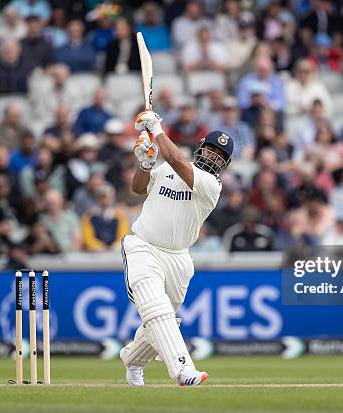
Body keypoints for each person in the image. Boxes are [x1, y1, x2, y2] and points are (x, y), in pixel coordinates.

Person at [118, 109, 234, 387]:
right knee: (156, 309)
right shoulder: (168, 167)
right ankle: (184, 371)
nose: (212, 158)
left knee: (160, 321)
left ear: (223, 166)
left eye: (219, 158)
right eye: (210, 151)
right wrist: (145, 165)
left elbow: (175, 158)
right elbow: (138, 188)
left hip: (178, 258)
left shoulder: (210, 185)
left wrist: (156, 127)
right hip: (143, 246)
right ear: (201, 149)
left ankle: (132, 360)